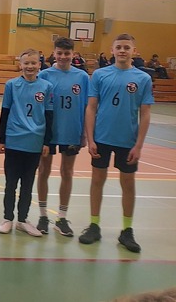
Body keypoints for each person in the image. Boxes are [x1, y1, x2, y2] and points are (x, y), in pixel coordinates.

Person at [79, 34, 154, 253]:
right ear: (112, 50)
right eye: (119, 47)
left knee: (128, 184)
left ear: (134, 51)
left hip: (127, 140)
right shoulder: (100, 75)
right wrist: (91, 138)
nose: (122, 50)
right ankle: (94, 225)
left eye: (126, 47)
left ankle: (127, 230)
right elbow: (91, 107)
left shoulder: (143, 78)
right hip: (102, 138)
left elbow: (145, 113)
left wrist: (139, 145)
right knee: (97, 180)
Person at [36, 37, 89, 237]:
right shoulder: (44, 75)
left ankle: (62, 217)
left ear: (73, 54)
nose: (63, 56)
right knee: (44, 171)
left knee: (67, 172)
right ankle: (43, 216)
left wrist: (84, 133)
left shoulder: (82, 77)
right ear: (54, 53)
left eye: (67, 53)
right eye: (59, 53)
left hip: (72, 131)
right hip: (48, 132)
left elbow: (87, 106)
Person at [0, 49, 53, 237]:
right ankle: (7, 218)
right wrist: (2, 139)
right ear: (20, 65)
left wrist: (47, 142)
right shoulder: (12, 85)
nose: (30, 66)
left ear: (39, 65)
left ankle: (22, 219)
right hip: (14, 140)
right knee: (11, 183)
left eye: (33, 63)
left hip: (34, 141)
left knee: (28, 184)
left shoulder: (46, 86)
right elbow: (5, 112)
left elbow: (49, 115)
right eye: (26, 63)